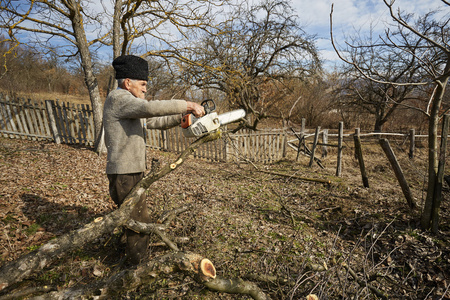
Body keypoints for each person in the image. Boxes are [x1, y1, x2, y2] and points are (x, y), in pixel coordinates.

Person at [103, 55, 205, 265]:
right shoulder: (119, 98)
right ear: (127, 82)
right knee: (139, 222)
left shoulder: (130, 105)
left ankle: (123, 255)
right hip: (125, 172)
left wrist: (180, 118)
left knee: (131, 217)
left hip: (131, 171)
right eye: (143, 84)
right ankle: (137, 268)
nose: (145, 89)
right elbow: (150, 109)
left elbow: (153, 120)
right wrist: (187, 104)